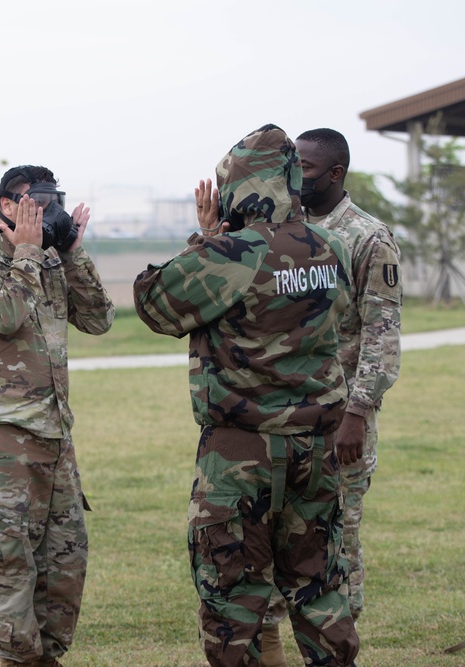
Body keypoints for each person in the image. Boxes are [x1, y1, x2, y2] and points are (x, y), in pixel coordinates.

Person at [132, 124, 359, 667]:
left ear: (235, 187)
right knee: (320, 587)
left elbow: (154, 303)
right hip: (315, 449)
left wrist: (208, 239)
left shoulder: (231, 253)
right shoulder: (335, 248)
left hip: (242, 455)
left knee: (234, 593)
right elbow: (340, 315)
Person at [0, 165, 114, 667]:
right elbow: (6, 316)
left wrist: (72, 251)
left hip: (56, 438)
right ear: (6, 206)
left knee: (65, 565)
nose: (44, 211)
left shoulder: (53, 259)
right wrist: (29, 253)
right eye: (33, 202)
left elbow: (99, 319)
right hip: (1, 440)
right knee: (11, 567)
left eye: (51, 201)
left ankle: (46, 659)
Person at [256, 127, 403, 664]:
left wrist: (358, 412)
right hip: (281, 422)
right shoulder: (281, 230)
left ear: (336, 173)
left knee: (336, 545)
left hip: (338, 423)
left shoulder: (367, 237)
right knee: (272, 542)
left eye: (308, 169)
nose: (296, 177)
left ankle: (339, 649)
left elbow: (382, 334)